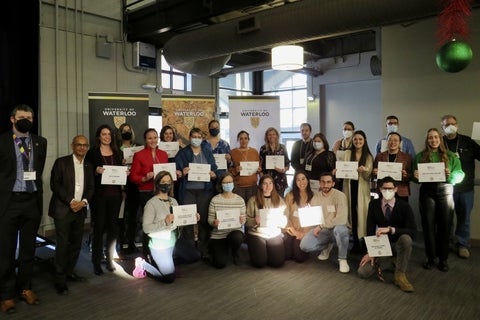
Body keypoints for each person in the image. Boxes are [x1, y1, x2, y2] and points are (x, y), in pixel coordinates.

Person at [0, 104, 47, 313]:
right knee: (6, 251)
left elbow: (38, 170)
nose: (26, 120)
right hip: (9, 202)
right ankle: (7, 294)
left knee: (28, 249)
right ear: (12, 119)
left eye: (29, 116)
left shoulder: (40, 142)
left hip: (31, 201)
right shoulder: (1, 141)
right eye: (22, 117)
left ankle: (25, 288)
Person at [133, 171, 200, 283]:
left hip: (174, 241)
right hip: (160, 244)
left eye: (169, 182)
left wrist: (192, 218)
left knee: (195, 256)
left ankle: (168, 263)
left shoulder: (173, 201)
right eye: (163, 182)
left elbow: (177, 222)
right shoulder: (151, 203)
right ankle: (143, 264)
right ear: (157, 184)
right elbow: (146, 228)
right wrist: (165, 222)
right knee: (169, 278)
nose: (166, 184)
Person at [413, 128, 464, 272]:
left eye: (436, 137)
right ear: (427, 140)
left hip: (445, 191)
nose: (433, 140)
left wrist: (450, 175)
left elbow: (460, 174)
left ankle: (443, 259)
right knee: (428, 226)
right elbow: (413, 177)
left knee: (445, 226)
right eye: (430, 138)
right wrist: (415, 175)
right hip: (427, 192)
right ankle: (430, 258)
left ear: (440, 139)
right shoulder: (420, 156)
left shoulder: (451, 156)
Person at [49, 135, 94, 295]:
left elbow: (91, 188)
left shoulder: (89, 165)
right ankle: (60, 280)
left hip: (80, 210)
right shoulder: (61, 162)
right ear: (72, 146)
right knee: (62, 245)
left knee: (76, 244)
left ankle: (69, 272)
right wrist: (71, 201)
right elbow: (54, 184)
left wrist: (83, 202)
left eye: (85, 145)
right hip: (63, 210)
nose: (82, 148)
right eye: (79, 145)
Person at [357, 176, 417, 292]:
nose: (387, 191)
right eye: (385, 188)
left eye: (390, 188)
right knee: (363, 272)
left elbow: (413, 232)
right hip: (381, 245)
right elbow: (369, 229)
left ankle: (400, 274)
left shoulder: (404, 206)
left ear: (396, 189)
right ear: (380, 189)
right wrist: (371, 251)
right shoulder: (373, 204)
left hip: (397, 243)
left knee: (406, 239)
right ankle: (391, 261)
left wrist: (391, 229)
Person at [86, 124, 124, 276]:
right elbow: (86, 172)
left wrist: (124, 171)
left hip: (115, 195)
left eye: (109, 134)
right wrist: (95, 171)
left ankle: (109, 259)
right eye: (104, 134)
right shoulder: (92, 153)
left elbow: (120, 170)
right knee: (99, 229)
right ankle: (96, 261)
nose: (107, 137)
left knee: (113, 229)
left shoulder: (117, 152)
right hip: (99, 197)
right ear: (98, 136)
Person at [175, 127, 219, 259]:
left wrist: (213, 174)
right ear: (189, 138)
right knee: (188, 220)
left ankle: (203, 249)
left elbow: (215, 169)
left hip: (204, 191)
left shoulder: (207, 152)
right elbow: (177, 170)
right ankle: (190, 250)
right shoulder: (183, 153)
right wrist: (182, 172)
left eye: (199, 137)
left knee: (204, 221)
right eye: (194, 136)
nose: (196, 139)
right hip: (188, 190)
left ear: (202, 139)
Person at [441, 115, 480, 259]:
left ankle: (463, 245)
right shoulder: (439, 142)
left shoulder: (467, 142)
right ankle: (448, 243)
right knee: (446, 218)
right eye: (446, 124)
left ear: (457, 125)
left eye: (453, 123)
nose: (450, 126)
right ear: (442, 127)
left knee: (464, 218)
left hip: (466, 188)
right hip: (445, 189)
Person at [300, 172, 350, 273]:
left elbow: (341, 219)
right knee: (304, 245)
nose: (325, 185)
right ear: (319, 183)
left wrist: (321, 226)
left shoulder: (340, 196)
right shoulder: (316, 197)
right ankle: (327, 245)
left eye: (328, 182)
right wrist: (306, 213)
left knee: (341, 230)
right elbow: (313, 218)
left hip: (337, 229)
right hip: (324, 230)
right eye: (323, 182)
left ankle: (342, 259)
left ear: (333, 183)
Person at [129, 128, 169, 255]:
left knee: (162, 221)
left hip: (162, 192)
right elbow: (132, 177)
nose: (153, 140)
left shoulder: (164, 154)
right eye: (150, 138)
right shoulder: (139, 155)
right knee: (149, 223)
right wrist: (144, 178)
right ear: (145, 140)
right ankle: (147, 252)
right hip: (145, 192)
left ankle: (161, 251)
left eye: (155, 137)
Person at [339, 130, 373, 252]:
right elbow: (342, 169)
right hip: (349, 187)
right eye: (355, 139)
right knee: (352, 214)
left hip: (362, 189)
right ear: (352, 141)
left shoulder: (368, 156)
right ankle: (355, 243)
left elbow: (369, 176)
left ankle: (363, 242)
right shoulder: (347, 153)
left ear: (364, 141)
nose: (358, 141)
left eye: (360, 139)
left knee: (362, 215)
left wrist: (365, 170)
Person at [245, 174, 287, 268]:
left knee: (278, 263)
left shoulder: (279, 200)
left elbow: (285, 218)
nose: (268, 186)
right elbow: (246, 221)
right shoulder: (253, 200)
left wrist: (280, 221)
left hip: (273, 233)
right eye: (265, 184)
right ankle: (261, 251)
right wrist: (254, 221)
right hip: (257, 234)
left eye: (270, 183)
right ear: (260, 185)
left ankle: (267, 250)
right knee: (259, 263)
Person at [207, 173, 246, 268]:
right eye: (225, 182)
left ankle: (235, 251)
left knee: (237, 237)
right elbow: (210, 219)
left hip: (234, 232)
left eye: (230, 182)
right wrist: (214, 223)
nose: (228, 184)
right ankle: (218, 249)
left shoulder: (240, 200)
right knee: (219, 264)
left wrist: (242, 220)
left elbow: (244, 219)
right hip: (219, 234)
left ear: (233, 183)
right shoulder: (215, 200)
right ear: (220, 185)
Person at [117, 123, 140, 254]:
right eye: (124, 131)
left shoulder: (137, 147)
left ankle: (131, 242)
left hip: (135, 185)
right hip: (122, 185)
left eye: (128, 130)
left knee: (133, 216)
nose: (127, 132)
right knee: (120, 217)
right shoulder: (116, 149)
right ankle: (121, 243)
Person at [283, 170, 315, 263]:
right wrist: (293, 231)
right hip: (291, 230)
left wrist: (303, 234)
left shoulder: (313, 197)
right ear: (295, 182)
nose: (301, 182)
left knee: (299, 257)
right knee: (286, 255)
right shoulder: (289, 195)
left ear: (307, 180)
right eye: (298, 180)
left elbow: (313, 221)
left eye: (303, 179)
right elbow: (285, 215)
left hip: (305, 233)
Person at [373, 132, 412, 202]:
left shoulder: (407, 157)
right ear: (386, 142)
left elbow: (410, 176)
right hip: (384, 191)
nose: (392, 142)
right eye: (390, 140)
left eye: (396, 140)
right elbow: (374, 175)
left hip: (401, 191)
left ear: (400, 143)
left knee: (401, 212)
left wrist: (405, 175)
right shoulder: (379, 156)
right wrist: (375, 173)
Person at [230, 130, 261, 205]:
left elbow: (259, 166)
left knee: (251, 208)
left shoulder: (254, 151)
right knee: (240, 209)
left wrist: (259, 169)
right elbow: (229, 170)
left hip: (253, 186)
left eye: (245, 138)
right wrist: (235, 170)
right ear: (238, 140)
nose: (243, 141)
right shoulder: (233, 152)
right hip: (238, 187)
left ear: (248, 139)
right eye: (241, 139)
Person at [259, 127, 290, 197]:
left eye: (273, 134)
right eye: (269, 134)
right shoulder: (263, 148)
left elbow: (287, 163)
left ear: (277, 136)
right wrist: (261, 176)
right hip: (267, 180)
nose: (271, 136)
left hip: (280, 180)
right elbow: (260, 164)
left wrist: (284, 169)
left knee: (279, 203)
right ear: (266, 136)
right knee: (267, 202)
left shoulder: (282, 147)